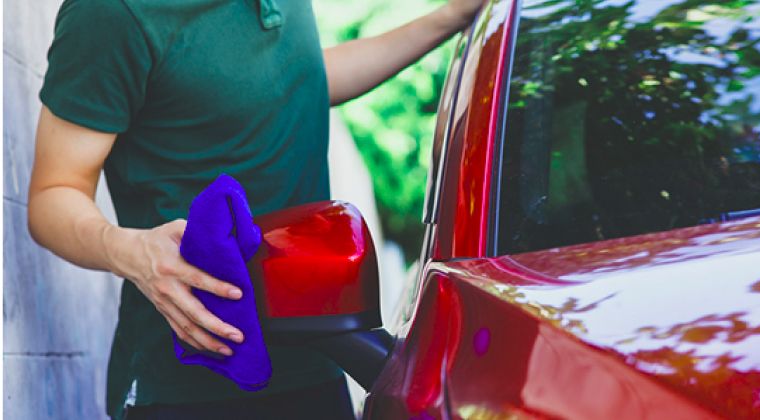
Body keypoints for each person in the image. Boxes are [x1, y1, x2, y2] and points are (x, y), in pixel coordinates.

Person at [27, 0, 483, 418]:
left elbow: (299, 77)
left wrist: (450, 16)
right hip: (189, 387)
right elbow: (53, 193)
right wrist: (130, 252)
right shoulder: (110, 13)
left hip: (319, 361)